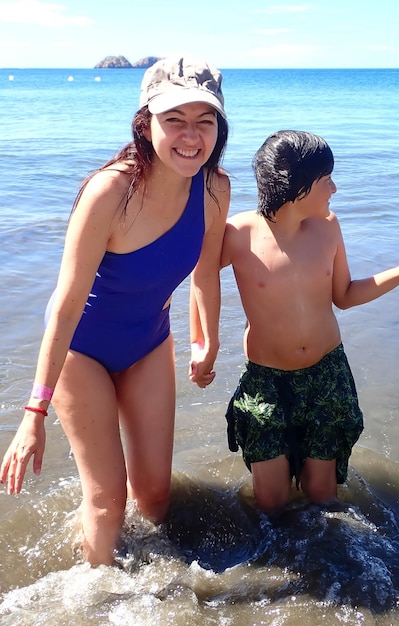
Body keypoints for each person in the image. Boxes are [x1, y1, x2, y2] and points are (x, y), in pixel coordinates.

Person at [0, 56, 230, 565]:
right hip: (81, 353)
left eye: (204, 121)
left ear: (220, 127)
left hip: (149, 342)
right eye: (175, 120)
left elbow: (206, 272)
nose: (190, 136)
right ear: (146, 123)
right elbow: (64, 304)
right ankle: (94, 602)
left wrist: (205, 339)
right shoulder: (110, 192)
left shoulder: (215, 188)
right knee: (107, 504)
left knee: (155, 498)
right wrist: (33, 413)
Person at [190, 129, 399, 514]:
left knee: (323, 497)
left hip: (327, 374)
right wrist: (203, 344)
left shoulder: (327, 227)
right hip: (267, 380)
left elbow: (345, 295)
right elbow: (201, 276)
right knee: (271, 503)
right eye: (327, 180)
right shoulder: (240, 233)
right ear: (297, 187)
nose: (335, 189)